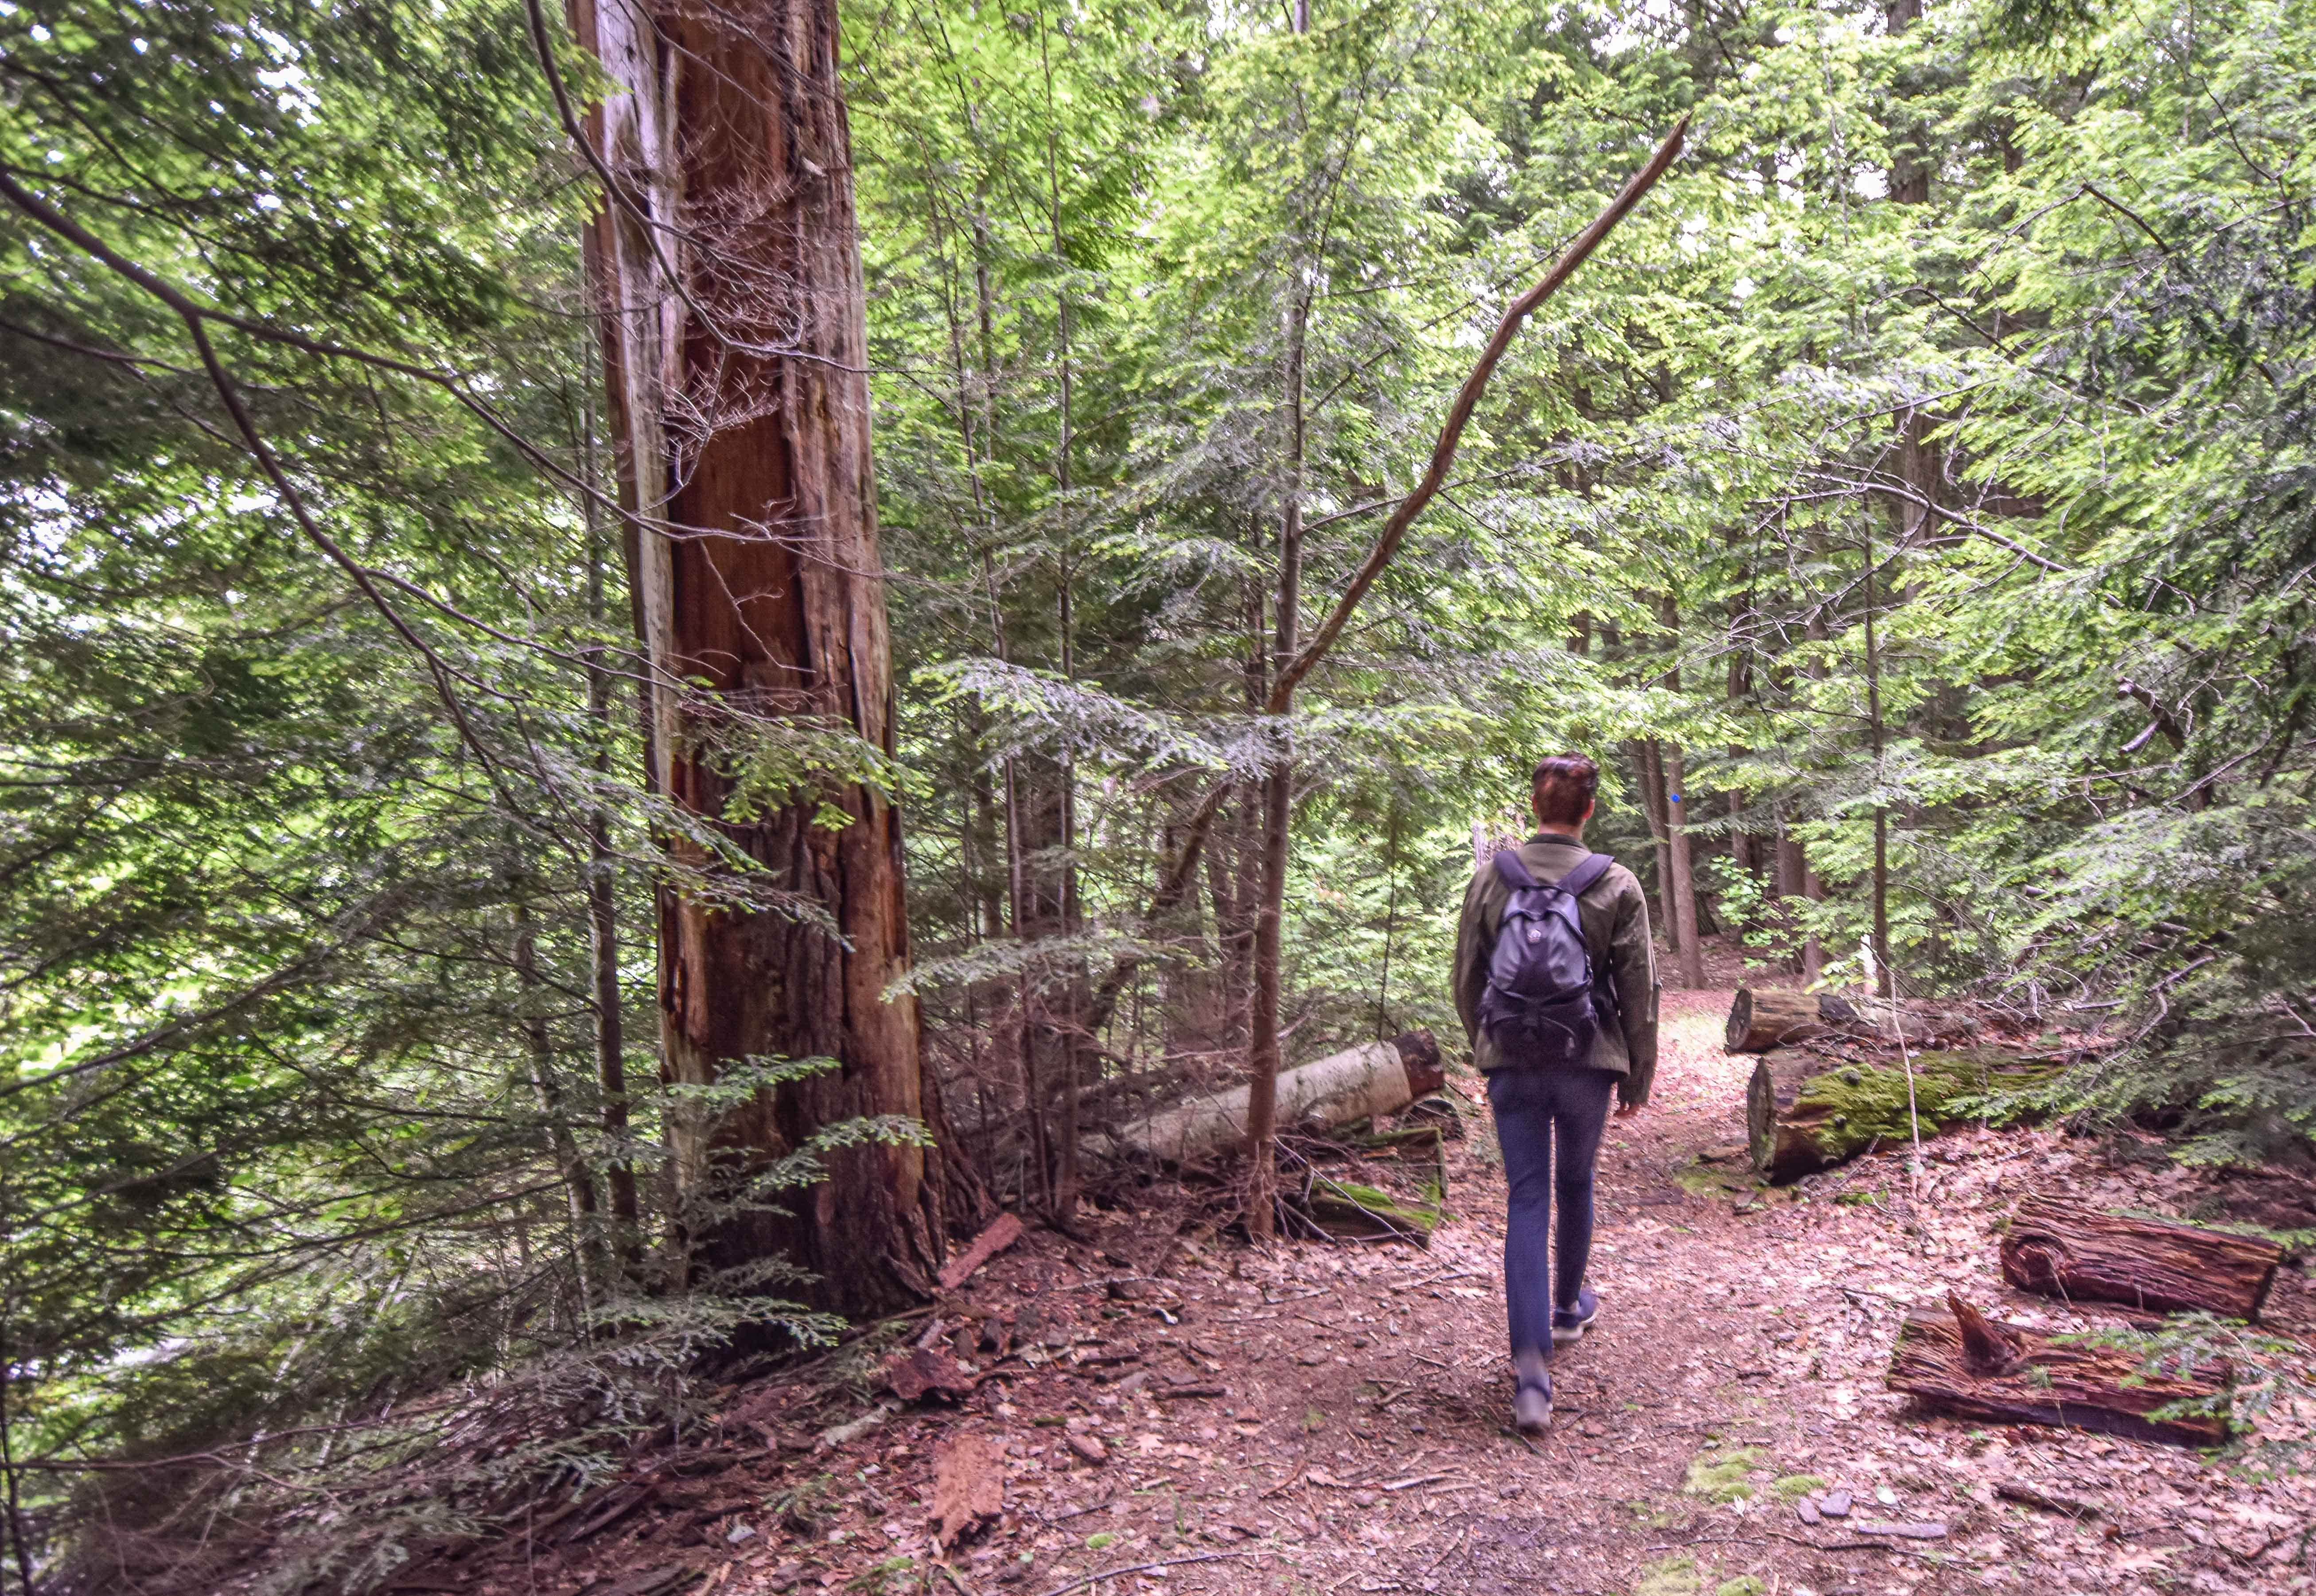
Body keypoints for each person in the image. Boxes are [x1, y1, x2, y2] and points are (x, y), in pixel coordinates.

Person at [1452, 754, 1659, 1435]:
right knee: (1576, 1181)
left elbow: (1466, 977)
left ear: (1535, 806)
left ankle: (1532, 1377)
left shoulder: (1492, 878)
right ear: (1589, 809)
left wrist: (1490, 1047)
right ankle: (1569, 1306)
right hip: (1587, 1059)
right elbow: (1639, 990)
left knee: (1526, 1199)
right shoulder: (1616, 882)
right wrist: (1637, 1071)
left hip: (1512, 1059)